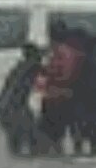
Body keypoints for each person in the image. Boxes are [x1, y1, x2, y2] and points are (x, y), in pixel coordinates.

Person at [37, 24, 88, 155]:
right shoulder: (68, 52)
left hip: (58, 98)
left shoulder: (62, 54)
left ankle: (55, 157)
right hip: (64, 97)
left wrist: (48, 74)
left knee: (52, 135)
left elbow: (64, 75)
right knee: (66, 134)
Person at [0, 43, 44, 156]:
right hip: (14, 108)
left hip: (7, 107)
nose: (41, 58)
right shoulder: (32, 66)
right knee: (32, 139)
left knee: (18, 143)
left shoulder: (19, 67)